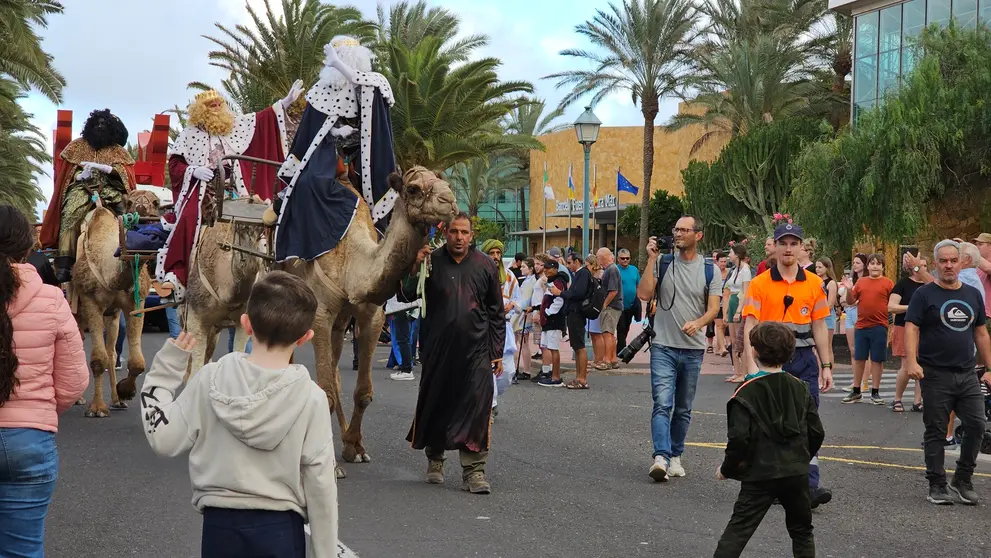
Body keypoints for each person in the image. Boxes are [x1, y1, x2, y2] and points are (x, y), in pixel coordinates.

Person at [138, 271, 338, 557]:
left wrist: (165, 371)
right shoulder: (312, 398)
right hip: (281, 529)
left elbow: (164, 439)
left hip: (220, 528)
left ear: (246, 323)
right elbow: (321, 485)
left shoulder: (210, 379)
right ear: (306, 337)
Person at [156, 79, 302, 301]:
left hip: (238, 186)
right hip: (205, 187)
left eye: (218, 104)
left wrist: (284, 103)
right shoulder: (189, 134)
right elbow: (175, 165)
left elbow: (261, 119)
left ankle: (279, 268)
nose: (216, 109)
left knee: (268, 214)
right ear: (200, 110)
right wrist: (194, 170)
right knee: (188, 217)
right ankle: (177, 274)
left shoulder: (235, 125)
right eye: (210, 106)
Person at [0, 206, 89, 556]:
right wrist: (40, 413)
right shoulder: (52, 300)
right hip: (30, 441)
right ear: (28, 248)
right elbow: (74, 381)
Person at [398, 214, 506, 494]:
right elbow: (408, 294)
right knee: (438, 402)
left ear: (472, 235)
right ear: (445, 233)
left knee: (476, 406)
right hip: (438, 350)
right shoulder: (431, 261)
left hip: (477, 350)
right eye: (454, 232)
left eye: (465, 232)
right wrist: (415, 266)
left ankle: (474, 471)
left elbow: (496, 312)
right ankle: (435, 460)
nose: (459, 237)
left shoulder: (485, 265)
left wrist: (496, 351)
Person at [274, 36, 398, 264]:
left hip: (362, 157)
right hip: (326, 154)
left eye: (342, 58)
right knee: (308, 183)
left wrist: (339, 65)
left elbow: (364, 87)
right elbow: (307, 134)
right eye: (336, 58)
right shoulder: (321, 90)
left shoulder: (373, 81)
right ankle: (303, 245)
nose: (337, 62)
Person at [740, 222, 834, 508]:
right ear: (776, 247)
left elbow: (819, 326)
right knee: (770, 423)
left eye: (794, 243)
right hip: (770, 363)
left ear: (802, 247)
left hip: (804, 361)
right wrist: (750, 368)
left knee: (807, 421)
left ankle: (808, 485)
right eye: (784, 243)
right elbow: (750, 327)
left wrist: (826, 364)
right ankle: (770, 483)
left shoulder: (815, 284)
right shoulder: (760, 284)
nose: (789, 248)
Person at [714, 322, 824, 558]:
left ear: (754, 351)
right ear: (790, 353)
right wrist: (801, 458)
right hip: (795, 471)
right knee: (802, 532)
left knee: (738, 531)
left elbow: (739, 439)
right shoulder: (801, 388)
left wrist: (727, 469)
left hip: (760, 473)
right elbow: (816, 432)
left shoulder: (745, 392)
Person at [905, 239, 991, 506]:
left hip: (967, 373)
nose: (948, 265)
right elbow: (911, 327)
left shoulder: (972, 294)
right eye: (943, 261)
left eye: (953, 260)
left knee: (977, 424)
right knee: (936, 430)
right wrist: (911, 362)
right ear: (935, 263)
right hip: (935, 373)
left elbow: (980, 332)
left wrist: (989, 367)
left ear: (961, 262)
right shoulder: (924, 294)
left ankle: (962, 479)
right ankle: (937, 483)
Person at [635, 215, 721, 482]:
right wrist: (651, 259)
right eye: (676, 229)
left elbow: (714, 308)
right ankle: (660, 456)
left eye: (685, 230)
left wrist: (698, 323)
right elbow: (644, 294)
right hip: (663, 346)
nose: (679, 234)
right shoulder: (662, 262)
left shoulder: (710, 269)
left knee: (683, 408)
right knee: (662, 403)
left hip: (693, 349)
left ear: (698, 235)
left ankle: (675, 455)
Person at [39, 109, 136, 283]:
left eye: (103, 124)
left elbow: (126, 174)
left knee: (128, 214)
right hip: (82, 189)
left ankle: (134, 254)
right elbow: (66, 175)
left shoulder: (118, 151)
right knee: (69, 213)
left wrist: (108, 169)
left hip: (109, 190)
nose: (100, 126)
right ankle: (65, 264)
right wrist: (79, 176)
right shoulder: (76, 147)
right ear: (90, 126)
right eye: (97, 123)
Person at [840, 254, 894, 405]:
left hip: (880, 325)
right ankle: (856, 390)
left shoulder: (888, 283)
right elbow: (851, 302)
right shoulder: (861, 282)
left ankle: (875, 392)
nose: (875, 266)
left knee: (877, 359)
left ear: (883, 266)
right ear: (868, 266)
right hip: (862, 325)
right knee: (859, 358)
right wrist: (850, 290)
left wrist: (892, 326)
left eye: (878, 264)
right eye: (872, 263)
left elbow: (893, 304)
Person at [481, 239, 520, 409]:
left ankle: (490, 397)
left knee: (508, 371)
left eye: (498, 253)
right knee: (488, 369)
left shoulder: (510, 276)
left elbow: (519, 300)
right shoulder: (478, 273)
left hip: (504, 328)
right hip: (484, 327)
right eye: (492, 253)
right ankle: (490, 404)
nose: (495, 257)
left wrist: (511, 305)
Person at [889, 253, 931, 412]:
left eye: (925, 266)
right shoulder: (903, 284)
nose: (921, 269)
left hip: (926, 329)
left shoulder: (930, 285)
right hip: (904, 327)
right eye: (918, 266)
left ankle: (917, 401)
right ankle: (897, 398)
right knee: (907, 365)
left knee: (923, 364)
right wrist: (912, 308)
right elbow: (891, 306)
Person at [561, 251, 593, 389]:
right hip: (573, 313)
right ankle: (579, 377)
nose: (568, 266)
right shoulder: (578, 274)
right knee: (577, 346)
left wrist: (562, 293)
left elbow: (578, 293)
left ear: (577, 262)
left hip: (577, 313)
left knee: (580, 347)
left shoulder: (583, 273)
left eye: (569, 263)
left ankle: (582, 378)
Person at [537, 259, 570, 387]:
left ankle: (556, 377)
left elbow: (559, 300)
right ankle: (553, 375)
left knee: (554, 348)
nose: (545, 270)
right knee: (549, 347)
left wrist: (548, 312)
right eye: (544, 268)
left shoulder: (558, 282)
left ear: (555, 269)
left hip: (554, 320)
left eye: (548, 268)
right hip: (549, 320)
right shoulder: (552, 281)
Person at [724, 245, 752, 383]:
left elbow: (746, 292)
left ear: (737, 254)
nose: (729, 255)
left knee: (741, 341)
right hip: (732, 301)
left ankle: (744, 372)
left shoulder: (745, 270)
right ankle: (737, 371)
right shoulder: (735, 270)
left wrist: (739, 310)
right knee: (733, 341)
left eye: (730, 253)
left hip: (739, 302)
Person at [597, 248, 624, 368]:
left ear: (602, 258)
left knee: (607, 333)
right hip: (615, 306)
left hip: (611, 306)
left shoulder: (611, 270)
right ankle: (613, 359)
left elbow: (613, 291)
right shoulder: (612, 269)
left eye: (598, 257)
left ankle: (607, 360)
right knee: (611, 334)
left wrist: (604, 304)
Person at [616, 248, 642, 353]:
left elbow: (638, 285)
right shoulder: (615, 270)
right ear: (618, 259)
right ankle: (621, 350)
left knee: (626, 327)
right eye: (623, 258)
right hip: (619, 305)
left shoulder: (634, 270)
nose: (625, 260)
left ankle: (620, 346)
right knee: (621, 328)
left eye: (627, 258)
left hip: (631, 305)